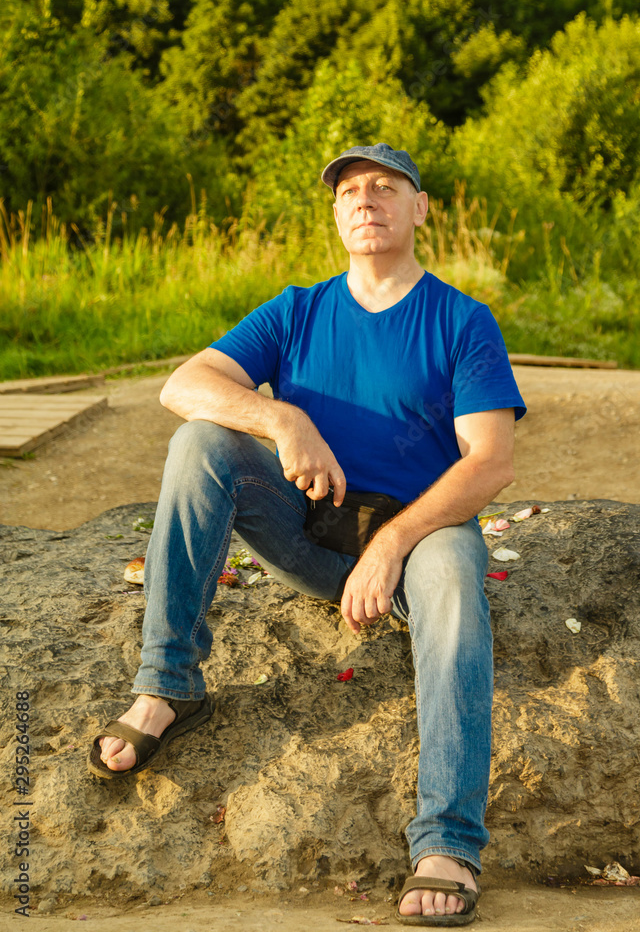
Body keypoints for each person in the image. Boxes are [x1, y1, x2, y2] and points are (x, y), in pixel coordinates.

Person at [88, 143, 525, 926]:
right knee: (200, 441)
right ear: (334, 214)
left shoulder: (461, 320)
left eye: (385, 187)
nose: (365, 200)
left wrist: (391, 544)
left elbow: (489, 461)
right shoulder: (296, 309)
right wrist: (282, 419)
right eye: (349, 191)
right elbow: (183, 385)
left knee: (457, 587)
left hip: (421, 543)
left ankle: (447, 844)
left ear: (420, 208)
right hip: (308, 532)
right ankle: (168, 686)